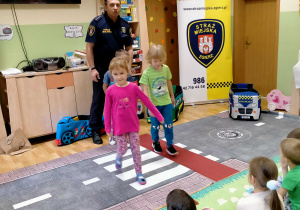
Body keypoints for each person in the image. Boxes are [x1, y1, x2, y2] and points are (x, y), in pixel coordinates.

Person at [104, 57, 164, 185]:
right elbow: (107, 110)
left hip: (133, 126)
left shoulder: (133, 87)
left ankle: (139, 172)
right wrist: (108, 129)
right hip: (119, 128)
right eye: (115, 74)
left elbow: (147, 101)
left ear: (127, 72)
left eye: (121, 73)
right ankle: (119, 156)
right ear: (111, 75)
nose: (119, 77)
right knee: (122, 149)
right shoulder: (110, 91)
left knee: (136, 150)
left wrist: (158, 115)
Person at [85, 0, 133, 144]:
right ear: (105, 7)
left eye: (118, 5)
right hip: (101, 70)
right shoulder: (96, 23)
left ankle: (122, 128)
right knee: (99, 99)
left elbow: (129, 48)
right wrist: (92, 68)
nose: (115, 7)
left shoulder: (125, 25)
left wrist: (128, 67)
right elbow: (89, 47)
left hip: (119, 72)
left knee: (122, 100)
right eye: (112, 5)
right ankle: (95, 130)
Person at [139, 44, 178, 155]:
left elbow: (169, 82)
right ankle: (155, 142)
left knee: (168, 124)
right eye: (155, 61)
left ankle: (170, 144)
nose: (158, 63)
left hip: (166, 102)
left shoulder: (165, 69)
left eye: (160, 60)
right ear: (150, 59)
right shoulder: (147, 73)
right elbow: (145, 90)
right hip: (154, 105)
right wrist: (149, 106)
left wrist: (172, 96)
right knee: (155, 125)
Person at [103, 49, 133, 145]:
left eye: (127, 61)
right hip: (113, 102)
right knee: (113, 119)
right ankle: (112, 136)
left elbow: (131, 89)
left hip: (124, 102)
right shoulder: (108, 73)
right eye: (124, 61)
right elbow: (104, 86)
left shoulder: (127, 75)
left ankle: (127, 137)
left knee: (126, 119)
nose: (125, 63)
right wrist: (109, 98)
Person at [278, 138, 300, 210]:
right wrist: (284, 168)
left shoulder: (291, 176)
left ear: (287, 160)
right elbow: (287, 183)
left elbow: (279, 196)